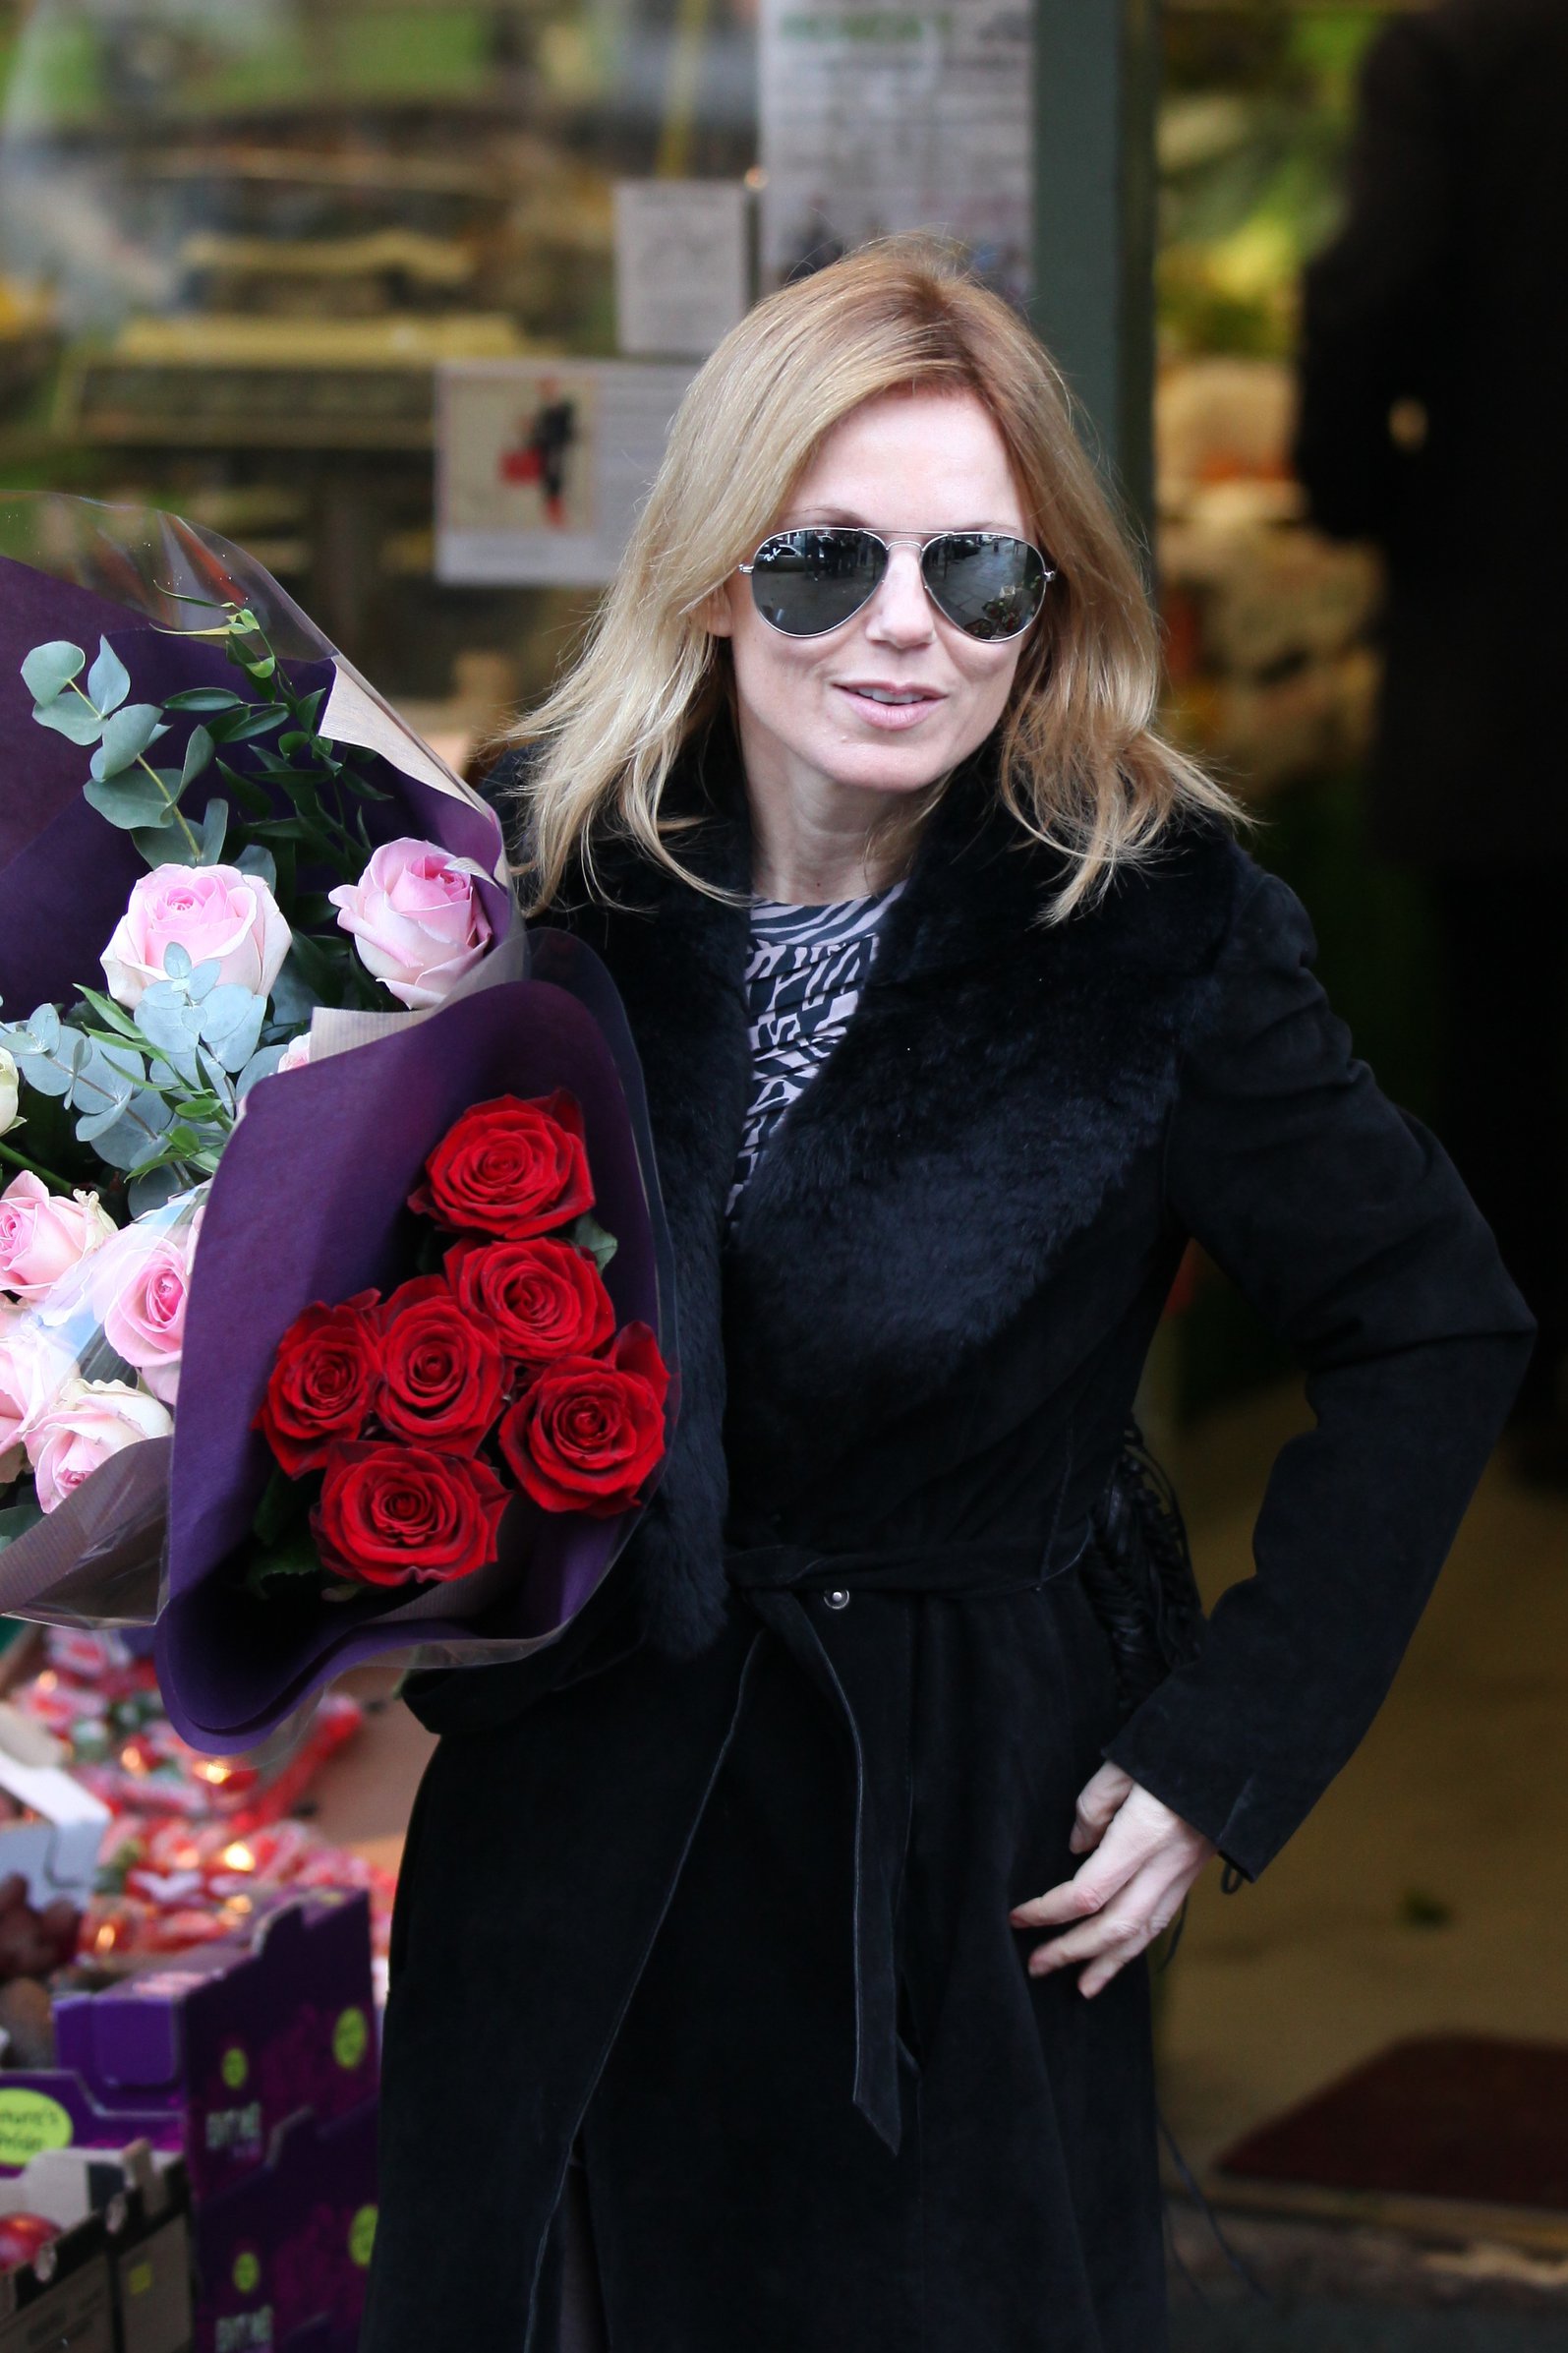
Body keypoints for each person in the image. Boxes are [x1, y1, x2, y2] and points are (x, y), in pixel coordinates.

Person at [364, 242, 1532, 2353]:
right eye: (826, 562)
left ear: (1047, 605)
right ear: (716, 575)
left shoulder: (1153, 929)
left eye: (978, 576)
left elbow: (1435, 1319)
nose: (903, 629)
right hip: (567, 1845)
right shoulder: (527, 876)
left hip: (936, 1870)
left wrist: (1222, 1753)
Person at [1296, 0, 1568, 1465]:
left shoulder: (1460, 48)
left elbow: (1369, 288)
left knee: (1515, 1030)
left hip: (1516, 638)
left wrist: (1364, 497)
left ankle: (1522, 1393)